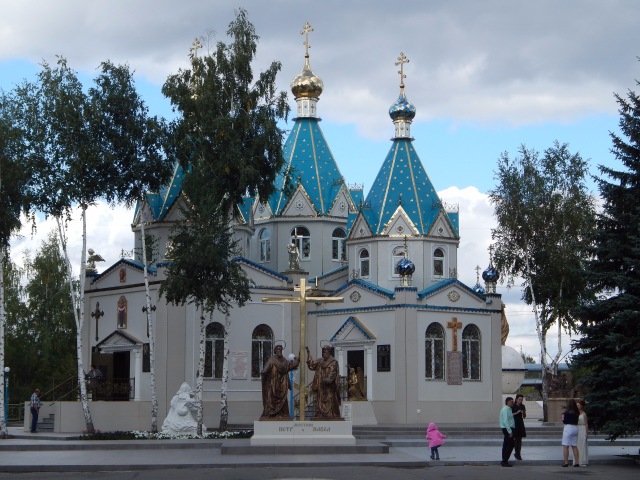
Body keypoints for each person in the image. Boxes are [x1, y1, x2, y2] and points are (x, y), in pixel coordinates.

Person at [260, 344, 300, 419]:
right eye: (278, 350)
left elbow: (291, 365)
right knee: (270, 399)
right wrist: (264, 372)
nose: (279, 351)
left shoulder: (284, 361)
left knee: (283, 400)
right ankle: (269, 413)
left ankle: (283, 414)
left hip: (282, 384)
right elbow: (266, 368)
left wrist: (298, 359)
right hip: (273, 383)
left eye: (280, 350)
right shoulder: (272, 360)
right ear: (275, 351)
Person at [306, 345, 341, 419]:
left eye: (326, 351)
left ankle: (331, 414)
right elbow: (312, 365)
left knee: (329, 399)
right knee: (320, 400)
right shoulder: (320, 361)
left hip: (329, 386)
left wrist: (329, 379)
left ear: (329, 352)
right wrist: (308, 353)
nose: (325, 352)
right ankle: (320, 413)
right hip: (321, 385)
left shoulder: (333, 362)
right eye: (324, 351)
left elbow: (333, 372)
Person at [562, 398, 580, 467]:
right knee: (574, 446)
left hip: (568, 428)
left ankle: (566, 462)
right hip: (575, 428)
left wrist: (562, 419)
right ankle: (576, 462)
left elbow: (565, 421)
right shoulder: (577, 412)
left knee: (566, 446)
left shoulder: (567, 412)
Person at [499, 396, 515, 467]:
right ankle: (505, 460)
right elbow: (506, 421)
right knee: (510, 444)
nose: (513, 403)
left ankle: (504, 459)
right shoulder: (505, 409)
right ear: (508, 402)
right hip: (507, 429)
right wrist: (509, 431)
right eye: (512, 402)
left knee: (506, 444)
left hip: (508, 428)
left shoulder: (509, 409)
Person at [512, 393, 527, 460]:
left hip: (520, 423)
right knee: (516, 439)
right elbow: (511, 414)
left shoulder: (522, 406)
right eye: (519, 400)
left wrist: (523, 413)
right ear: (516, 399)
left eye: (521, 400)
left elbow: (524, 416)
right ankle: (516, 453)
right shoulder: (513, 406)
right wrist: (517, 412)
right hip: (515, 423)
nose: (520, 401)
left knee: (520, 439)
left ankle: (518, 453)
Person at [576, 399, 589, 466]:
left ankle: (583, 460)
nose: (577, 406)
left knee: (582, 444)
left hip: (582, 428)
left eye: (578, 405)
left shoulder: (584, 414)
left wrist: (586, 433)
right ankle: (577, 461)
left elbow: (586, 424)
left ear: (582, 406)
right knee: (577, 445)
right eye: (577, 405)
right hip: (577, 429)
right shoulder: (576, 413)